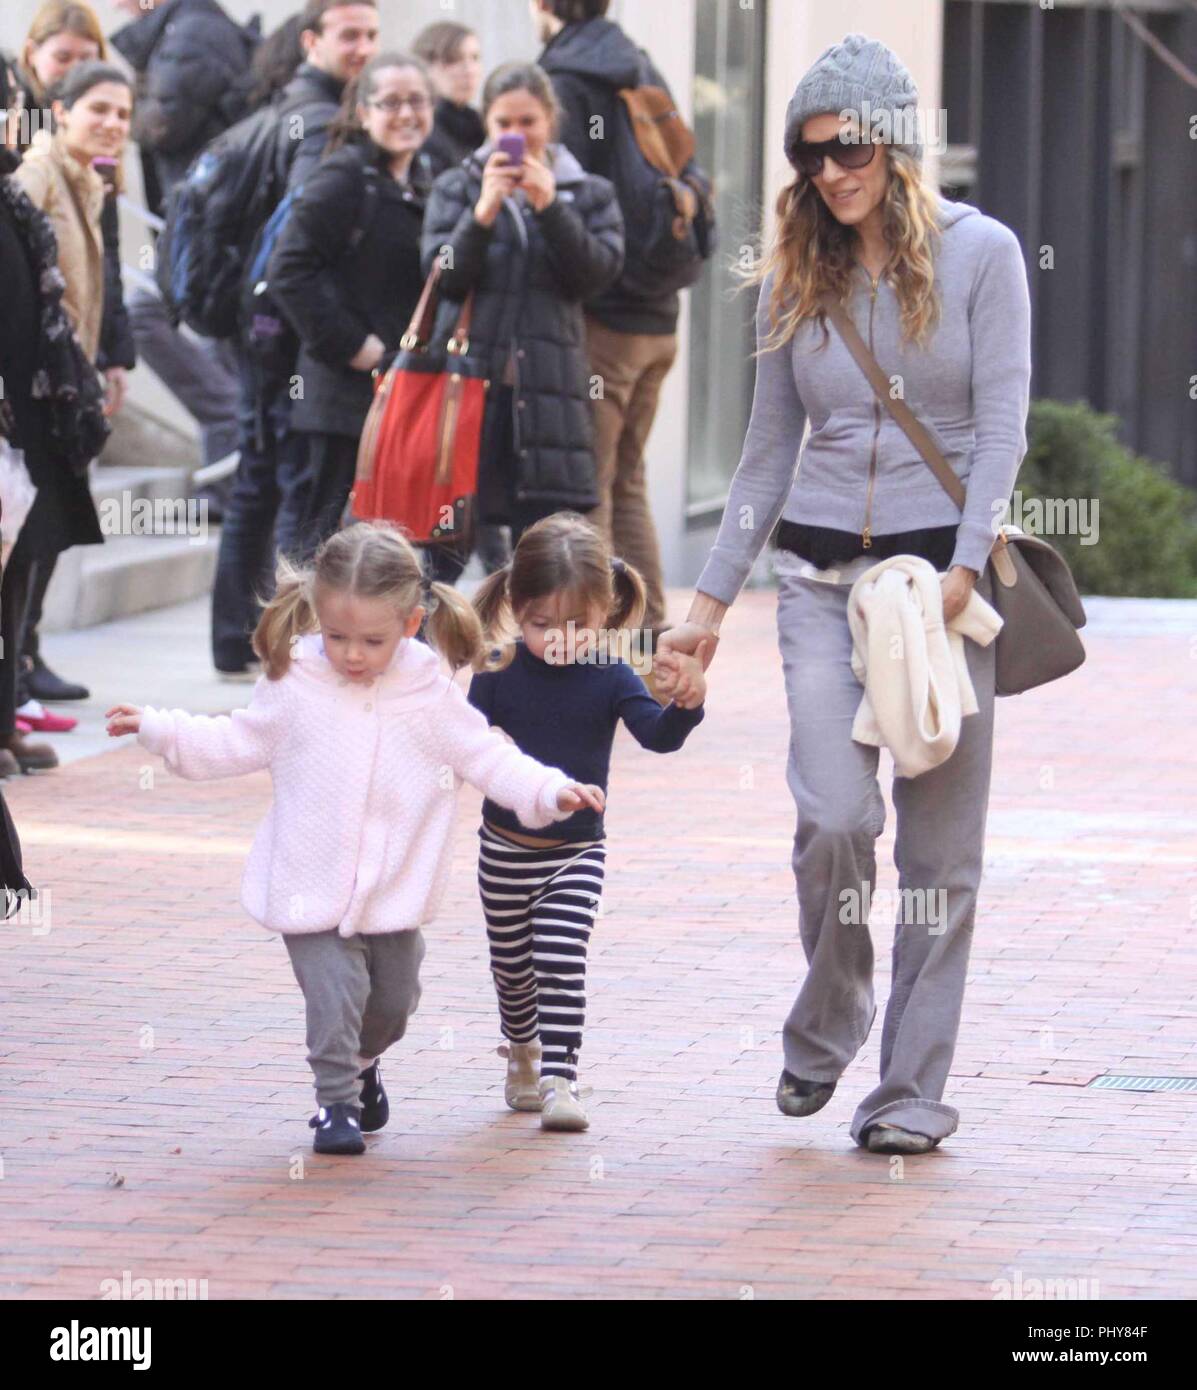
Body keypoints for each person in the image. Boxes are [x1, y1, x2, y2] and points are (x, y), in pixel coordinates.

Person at [656, 35, 1032, 1155]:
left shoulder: (986, 254)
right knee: (833, 818)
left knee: (939, 858)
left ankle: (909, 1093)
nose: (830, 169)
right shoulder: (795, 272)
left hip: (945, 591)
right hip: (821, 583)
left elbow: (1003, 422)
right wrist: (710, 605)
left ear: (894, 143)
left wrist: (968, 562)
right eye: (810, 152)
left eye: (849, 145)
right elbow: (766, 454)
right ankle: (830, 1014)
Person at [107, 522, 604, 1154]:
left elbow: (486, 756)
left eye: (372, 640)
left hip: (394, 892)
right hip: (306, 886)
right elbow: (236, 739)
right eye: (337, 637)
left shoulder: (427, 689)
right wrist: (160, 727)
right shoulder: (295, 683)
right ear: (316, 615)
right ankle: (334, 1104)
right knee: (335, 992)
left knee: (394, 1000)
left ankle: (365, 1066)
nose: (352, 655)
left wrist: (548, 790)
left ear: (411, 623)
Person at [468, 513, 706, 1131]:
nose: (559, 639)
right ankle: (522, 1052)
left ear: (604, 614)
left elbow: (656, 738)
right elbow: (461, 743)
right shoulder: (496, 669)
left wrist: (685, 705)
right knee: (513, 971)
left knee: (561, 952)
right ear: (516, 606)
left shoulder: (611, 674)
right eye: (542, 624)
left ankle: (561, 1080)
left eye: (577, 626)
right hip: (503, 851)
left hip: (575, 853)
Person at [209, 0, 380, 679]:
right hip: (283, 336)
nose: (363, 46)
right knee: (278, 485)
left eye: (371, 34)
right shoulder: (317, 121)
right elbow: (303, 247)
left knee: (259, 480)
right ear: (312, 40)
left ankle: (234, 638)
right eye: (349, 35)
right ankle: (263, 638)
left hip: (266, 328)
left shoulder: (291, 106)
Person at [535, 0, 712, 645]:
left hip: (605, 316)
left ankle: (606, 642)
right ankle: (647, 631)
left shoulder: (565, 78)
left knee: (590, 485)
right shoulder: (639, 66)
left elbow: (569, 203)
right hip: (659, 315)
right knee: (628, 477)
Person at [420, 61, 624, 584]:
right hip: (468, 398)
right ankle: (427, 662)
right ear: (487, 125)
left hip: (550, 401)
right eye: (503, 123)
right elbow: (442, 276)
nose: (515, 136)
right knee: (441, 561)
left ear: (550, 121)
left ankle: (533, 662)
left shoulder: (588, 191)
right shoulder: (455, 187)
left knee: (545, 566)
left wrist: (550, 205)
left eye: (527, 122)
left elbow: (597, 275)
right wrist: (483, 213)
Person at [12, 59, 134, 759]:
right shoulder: (38, 176)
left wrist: (100, 363)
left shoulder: (91, 181)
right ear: (59, 111)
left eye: (122, 113)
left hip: (69, 381)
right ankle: (17, 680)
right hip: (37, 393)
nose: (112, 123)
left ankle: (24, 671)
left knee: (44, 538)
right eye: (98, 109)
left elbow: (95, 286)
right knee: (29, 539)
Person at [269, 51, 434, 561]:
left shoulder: (422, 178)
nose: (406, 114)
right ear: (363, 113)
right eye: (391, 103)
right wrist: (354, 345)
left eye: (417, 101)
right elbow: (288, 269)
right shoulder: (341, 177)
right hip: (340, 397)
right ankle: (299, 639)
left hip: (395, 393)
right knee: (320, 542)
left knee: (383, 543)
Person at [12, 0, 105, 154]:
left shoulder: (108, 109)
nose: (75, 69)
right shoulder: (16, 106)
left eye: (86, 59)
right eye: (63, 58)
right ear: (31, 53)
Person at [411, 20, 484, 179]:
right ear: (425, 67)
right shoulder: (422, 130)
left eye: (475, 58)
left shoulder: (481, 125)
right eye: (453, 60)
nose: (469, 70)